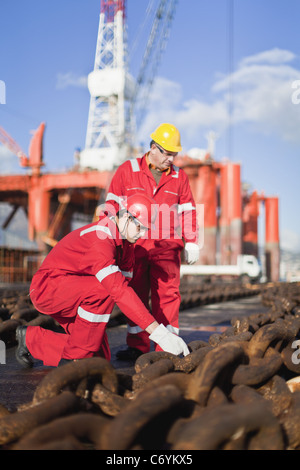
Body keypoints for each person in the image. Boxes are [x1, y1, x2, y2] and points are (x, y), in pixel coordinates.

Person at [15, 193, 190, 368]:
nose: (143, 234)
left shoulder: (127, 247)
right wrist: (159, 334)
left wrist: (152, 327)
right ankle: (74, 358)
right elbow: (117, 290)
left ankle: (30, 339)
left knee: (99, 359)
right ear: (127, 217)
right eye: (140, 228)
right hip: (48, 289)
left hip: (78, 293)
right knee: (104, 291)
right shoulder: (100, 239)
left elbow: (126, 293)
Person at [105, 123, 200, 361]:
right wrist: (109, 241)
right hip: (134, 246)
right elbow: (111, 207)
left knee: (167, 297)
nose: (170, 159)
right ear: (153, 148)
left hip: (166, 247)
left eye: (173, 154)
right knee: (135, 295)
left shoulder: (179, 177)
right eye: (166, 153)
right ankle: (137, 345)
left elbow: (188, 210)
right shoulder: (127, 170)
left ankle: (166, 348)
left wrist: (191, 241)